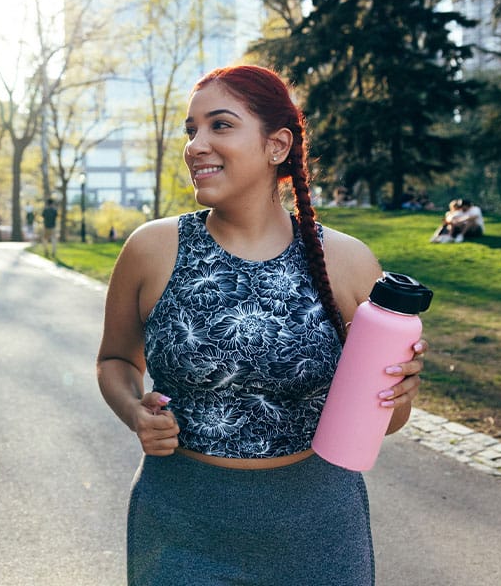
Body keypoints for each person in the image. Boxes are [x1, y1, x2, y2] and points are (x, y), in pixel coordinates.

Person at [96, 65, 426, 585]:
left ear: (277, 146)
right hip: (180, 526)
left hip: (317, 529)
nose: (196, 145)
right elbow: (115, 360)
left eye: (219, 126)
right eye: (191, 130)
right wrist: (134, 410)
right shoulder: (152, 249)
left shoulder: (347, 261)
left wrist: (399, 394)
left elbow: (385, 420)